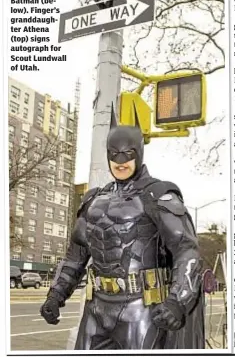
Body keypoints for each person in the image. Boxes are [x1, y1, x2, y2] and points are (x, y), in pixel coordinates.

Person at [40, 105, 205, 350]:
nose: (120, 161)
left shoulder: (158, 196)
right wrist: (56, 295)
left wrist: (177, 301)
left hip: (141, 310)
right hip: (96, 309)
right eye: (114, 154)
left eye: (127, 153)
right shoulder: (94, 199)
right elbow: (76, 256)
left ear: (138, 153)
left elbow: (186, 250)